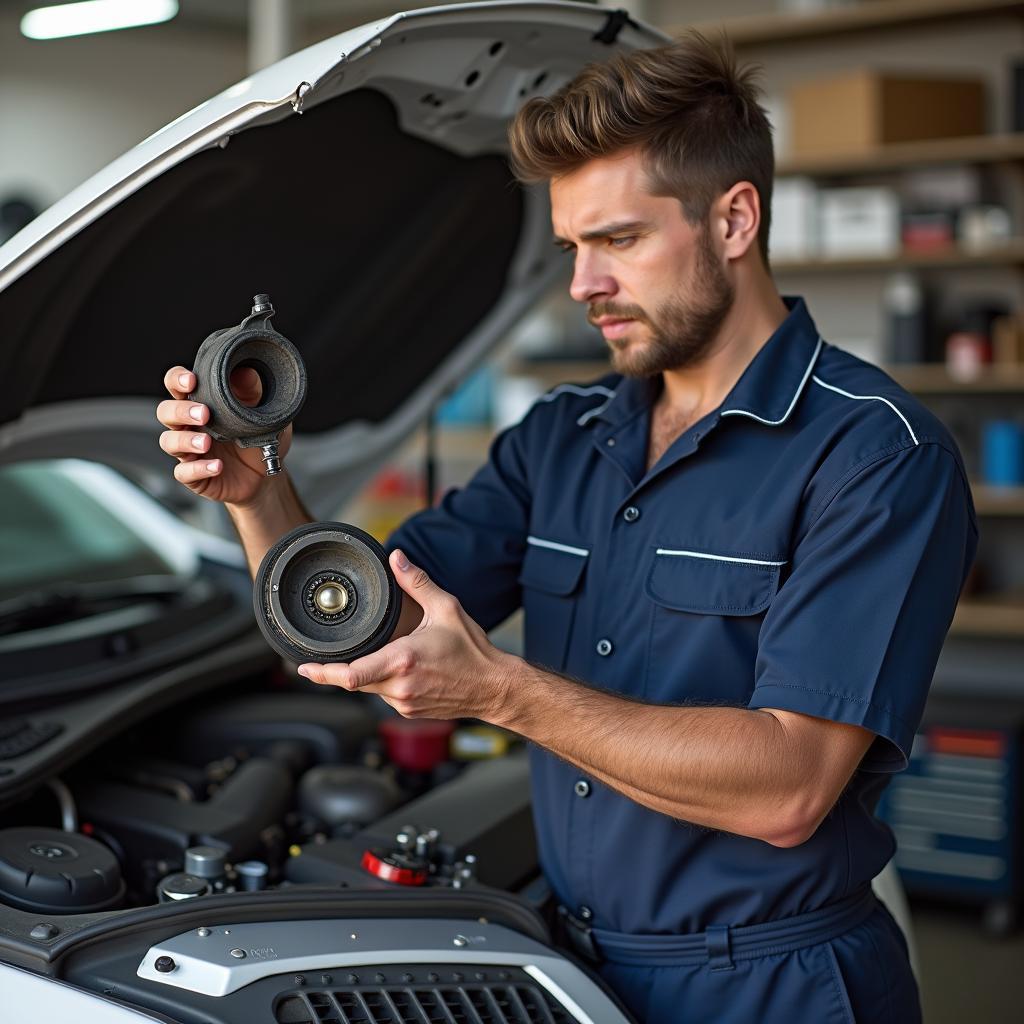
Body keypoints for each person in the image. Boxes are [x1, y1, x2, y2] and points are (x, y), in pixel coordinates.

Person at [157, 32, 976, 1023]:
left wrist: (500, 691)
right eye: (571, 247)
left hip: (770, 984)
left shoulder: (873, 455)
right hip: (577, 970)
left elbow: (788, 787)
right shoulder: (560, 436)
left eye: (618, 240)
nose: (582, 282)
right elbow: (362, 620)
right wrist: (258, 493)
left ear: (734, 220)